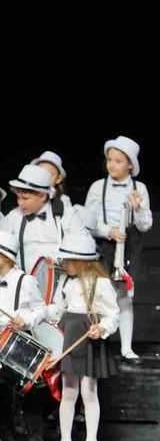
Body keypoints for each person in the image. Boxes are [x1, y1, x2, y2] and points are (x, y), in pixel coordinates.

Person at [47, 232, 120, 441]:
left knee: (89, 391)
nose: (64, 264)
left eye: (68, 260)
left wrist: (102, 328)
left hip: (88, 338)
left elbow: (113, 314)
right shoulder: (65, 280)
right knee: (69, 391)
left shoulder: (101, 282)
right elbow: (57, 308)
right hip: (69, 335)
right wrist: (41, 313)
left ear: (83, 261)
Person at [0, 230, 49, 441]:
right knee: (1, 398)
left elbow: (42, 309)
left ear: (7, 257)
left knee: (28, 397)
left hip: (20, 342)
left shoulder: (25, 281)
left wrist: (26, 319)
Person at [84, 135, 150, 361]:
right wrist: (108, 231)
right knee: (98, 294)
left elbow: (145, 225)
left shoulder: (139, 187)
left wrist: (138, 209)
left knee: (124, 297)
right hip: (105, 245)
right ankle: (97, 345)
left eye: (118, 161)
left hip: (129, 246)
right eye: (109, 160)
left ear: (130, 164)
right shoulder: (98, 187)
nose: (111, 165)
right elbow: (89, 221)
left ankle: (126, 347)